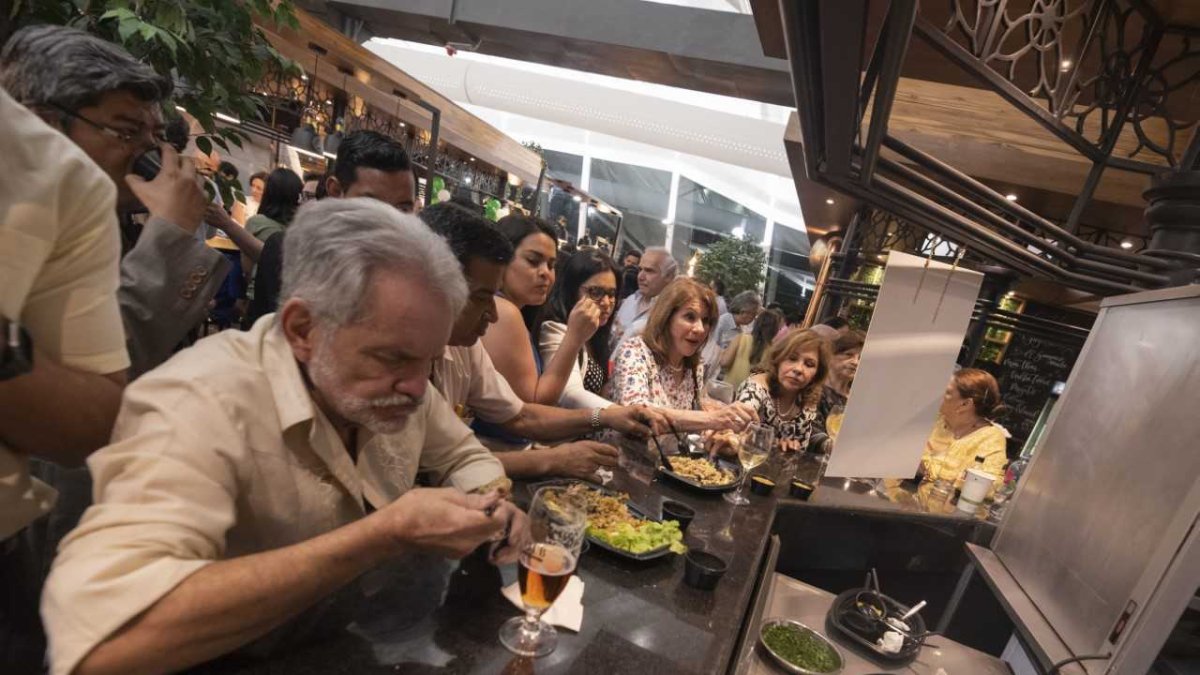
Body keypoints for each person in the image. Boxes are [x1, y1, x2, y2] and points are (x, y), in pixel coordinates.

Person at [41, 198, 526, 675]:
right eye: (393, 358)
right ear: (303, 328)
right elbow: (102, 644)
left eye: (428, 360)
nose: (419, 387)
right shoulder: (201, 398)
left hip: (338, 640)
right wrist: (382, 534)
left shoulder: (401, 386)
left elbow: (465, 455)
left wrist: (492, 501)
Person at [1, 25, 228, 378]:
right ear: (41, 125)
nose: (150, 156)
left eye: (156, 136)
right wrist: (171, 236)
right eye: (126, 132)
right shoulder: (19, 225)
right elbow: (103, 374)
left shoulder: (115, 223)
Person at [0, 86, 130, 673]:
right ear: (51, 114)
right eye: (125, 131)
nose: (143, 155)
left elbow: (95, 415)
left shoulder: (59, 180)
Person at [421, 203, 666, 479]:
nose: (491, 313)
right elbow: (439, 465)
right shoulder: (510, 315)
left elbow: (522, 415)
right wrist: (552, 458)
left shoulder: (468, 346)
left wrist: (607, 417)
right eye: (533, 261)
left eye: (551, 265)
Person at [243, 132, 416, 328]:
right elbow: (268, 343)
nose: (389, 221)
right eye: (371, 204)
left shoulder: (407, 272)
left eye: (402, 209)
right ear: (335, 191)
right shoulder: (287, 252)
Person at [608, 278, 757, 432]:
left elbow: (691, 424)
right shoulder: (635, 351)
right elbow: (638, 414)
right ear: (666, 317)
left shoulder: (694, 366)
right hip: (616, 454)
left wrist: (717, 437)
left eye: (706, 320)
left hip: (667, 456)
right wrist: (715, 419)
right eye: (690, 317)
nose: (700, 328)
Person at [481, 214, 589, 409]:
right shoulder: (503, 311)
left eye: (551, 265)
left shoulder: (517, 312)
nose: (545, 273)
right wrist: (574, 337)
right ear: (501, 259)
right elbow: (534, 405)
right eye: (533, 261)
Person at [535, 249, 620, 409]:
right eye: (595, 292)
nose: (606, 303)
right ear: (571, 291)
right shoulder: (555, 329)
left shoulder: (596, 334)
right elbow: (569, 394)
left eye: (611, 294)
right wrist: (619, 414)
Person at [733, 329, 830, 452]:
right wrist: (774, 445)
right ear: (778, 359)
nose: (799, 369)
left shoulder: (808, 400)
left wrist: (792, 447)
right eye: (792, 358)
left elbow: (800, 452)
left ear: (817, 374)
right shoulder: (754, 389)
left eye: (809, 364)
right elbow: (736, 436)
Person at [919, 368, 1010, 490]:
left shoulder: (991, 438)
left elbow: (988, 487)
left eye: (946, 392)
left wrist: (926, 470)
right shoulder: (934, 419)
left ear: (965, 404)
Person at [611, 246, 678, 346]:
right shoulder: (630, 300)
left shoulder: (672, 313)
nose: (640, 276)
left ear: (669, 276)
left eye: (649, 271)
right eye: (640, 269)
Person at [722, 308, 784, 390]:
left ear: (756, 323)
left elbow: (724, 362)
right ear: (775, 330)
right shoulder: (773, 351)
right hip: (749, 396)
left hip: (729, 389)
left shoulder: (741, 338)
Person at [244, 168, 303, 242]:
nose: (254, 190)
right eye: (252, 186)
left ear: (268, 192)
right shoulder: (301, 232)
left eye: (259, 188)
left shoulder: (256, 223)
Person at [818, 330, 865, 419]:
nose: (855, 362)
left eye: (860, 358)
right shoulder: (814, 392)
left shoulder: (859, 397)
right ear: (831, 355)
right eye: (848, 355)